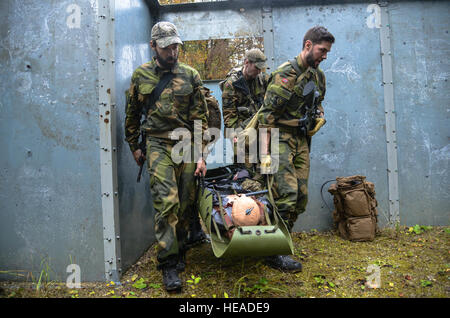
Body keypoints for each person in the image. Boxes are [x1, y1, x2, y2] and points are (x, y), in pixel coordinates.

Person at [124, 22, 209, 292]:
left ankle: (180, 247)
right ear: (153, 46)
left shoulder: (191, 75)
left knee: (186, 202)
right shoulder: (141, 76)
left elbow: (201, 119)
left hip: (186, 142)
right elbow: (132, 114)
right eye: (167, 47)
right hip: (158, 143)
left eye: (175, 45)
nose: (173, 51)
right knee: (167, 201)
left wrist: (201, 156)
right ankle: (168, 262)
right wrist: (134, 146)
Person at [257, 26, 335, 272]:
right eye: (322, 50)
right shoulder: (285, 75)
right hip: (279, 137)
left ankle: (280, 241)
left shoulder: (317, 76)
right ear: (308, 45)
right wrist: (265, 156)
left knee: (300, 199)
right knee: (286, 195)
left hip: (301, 140)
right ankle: (273, 251)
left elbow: (318, 101)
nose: (325, 55)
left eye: (327, 52)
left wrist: (318, 116)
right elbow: (266, 119)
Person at [220, 48, 269, 130]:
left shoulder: (263, 80)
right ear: (246, 63)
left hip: (262, 126)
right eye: (257, 68)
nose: (259, 71)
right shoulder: (232, 84)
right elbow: (229, 117)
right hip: (243, 129)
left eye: (261, 68)